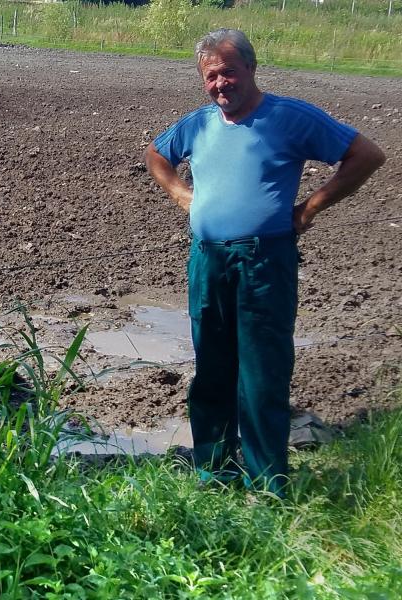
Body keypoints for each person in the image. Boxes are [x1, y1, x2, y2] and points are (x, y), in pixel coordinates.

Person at [144, 28, 385, 496]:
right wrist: (180, 192)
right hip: (208, 261)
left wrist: (309, 208)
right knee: (212, 368)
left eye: (229, 72)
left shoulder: (289, 117)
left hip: (263, 261)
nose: (220, 84)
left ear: (252, 69)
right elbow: (157, 153)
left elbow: (365, 155)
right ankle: (212, 471)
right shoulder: (198, 123)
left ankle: (266, 483)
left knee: (261, 370)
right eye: (211, 76)